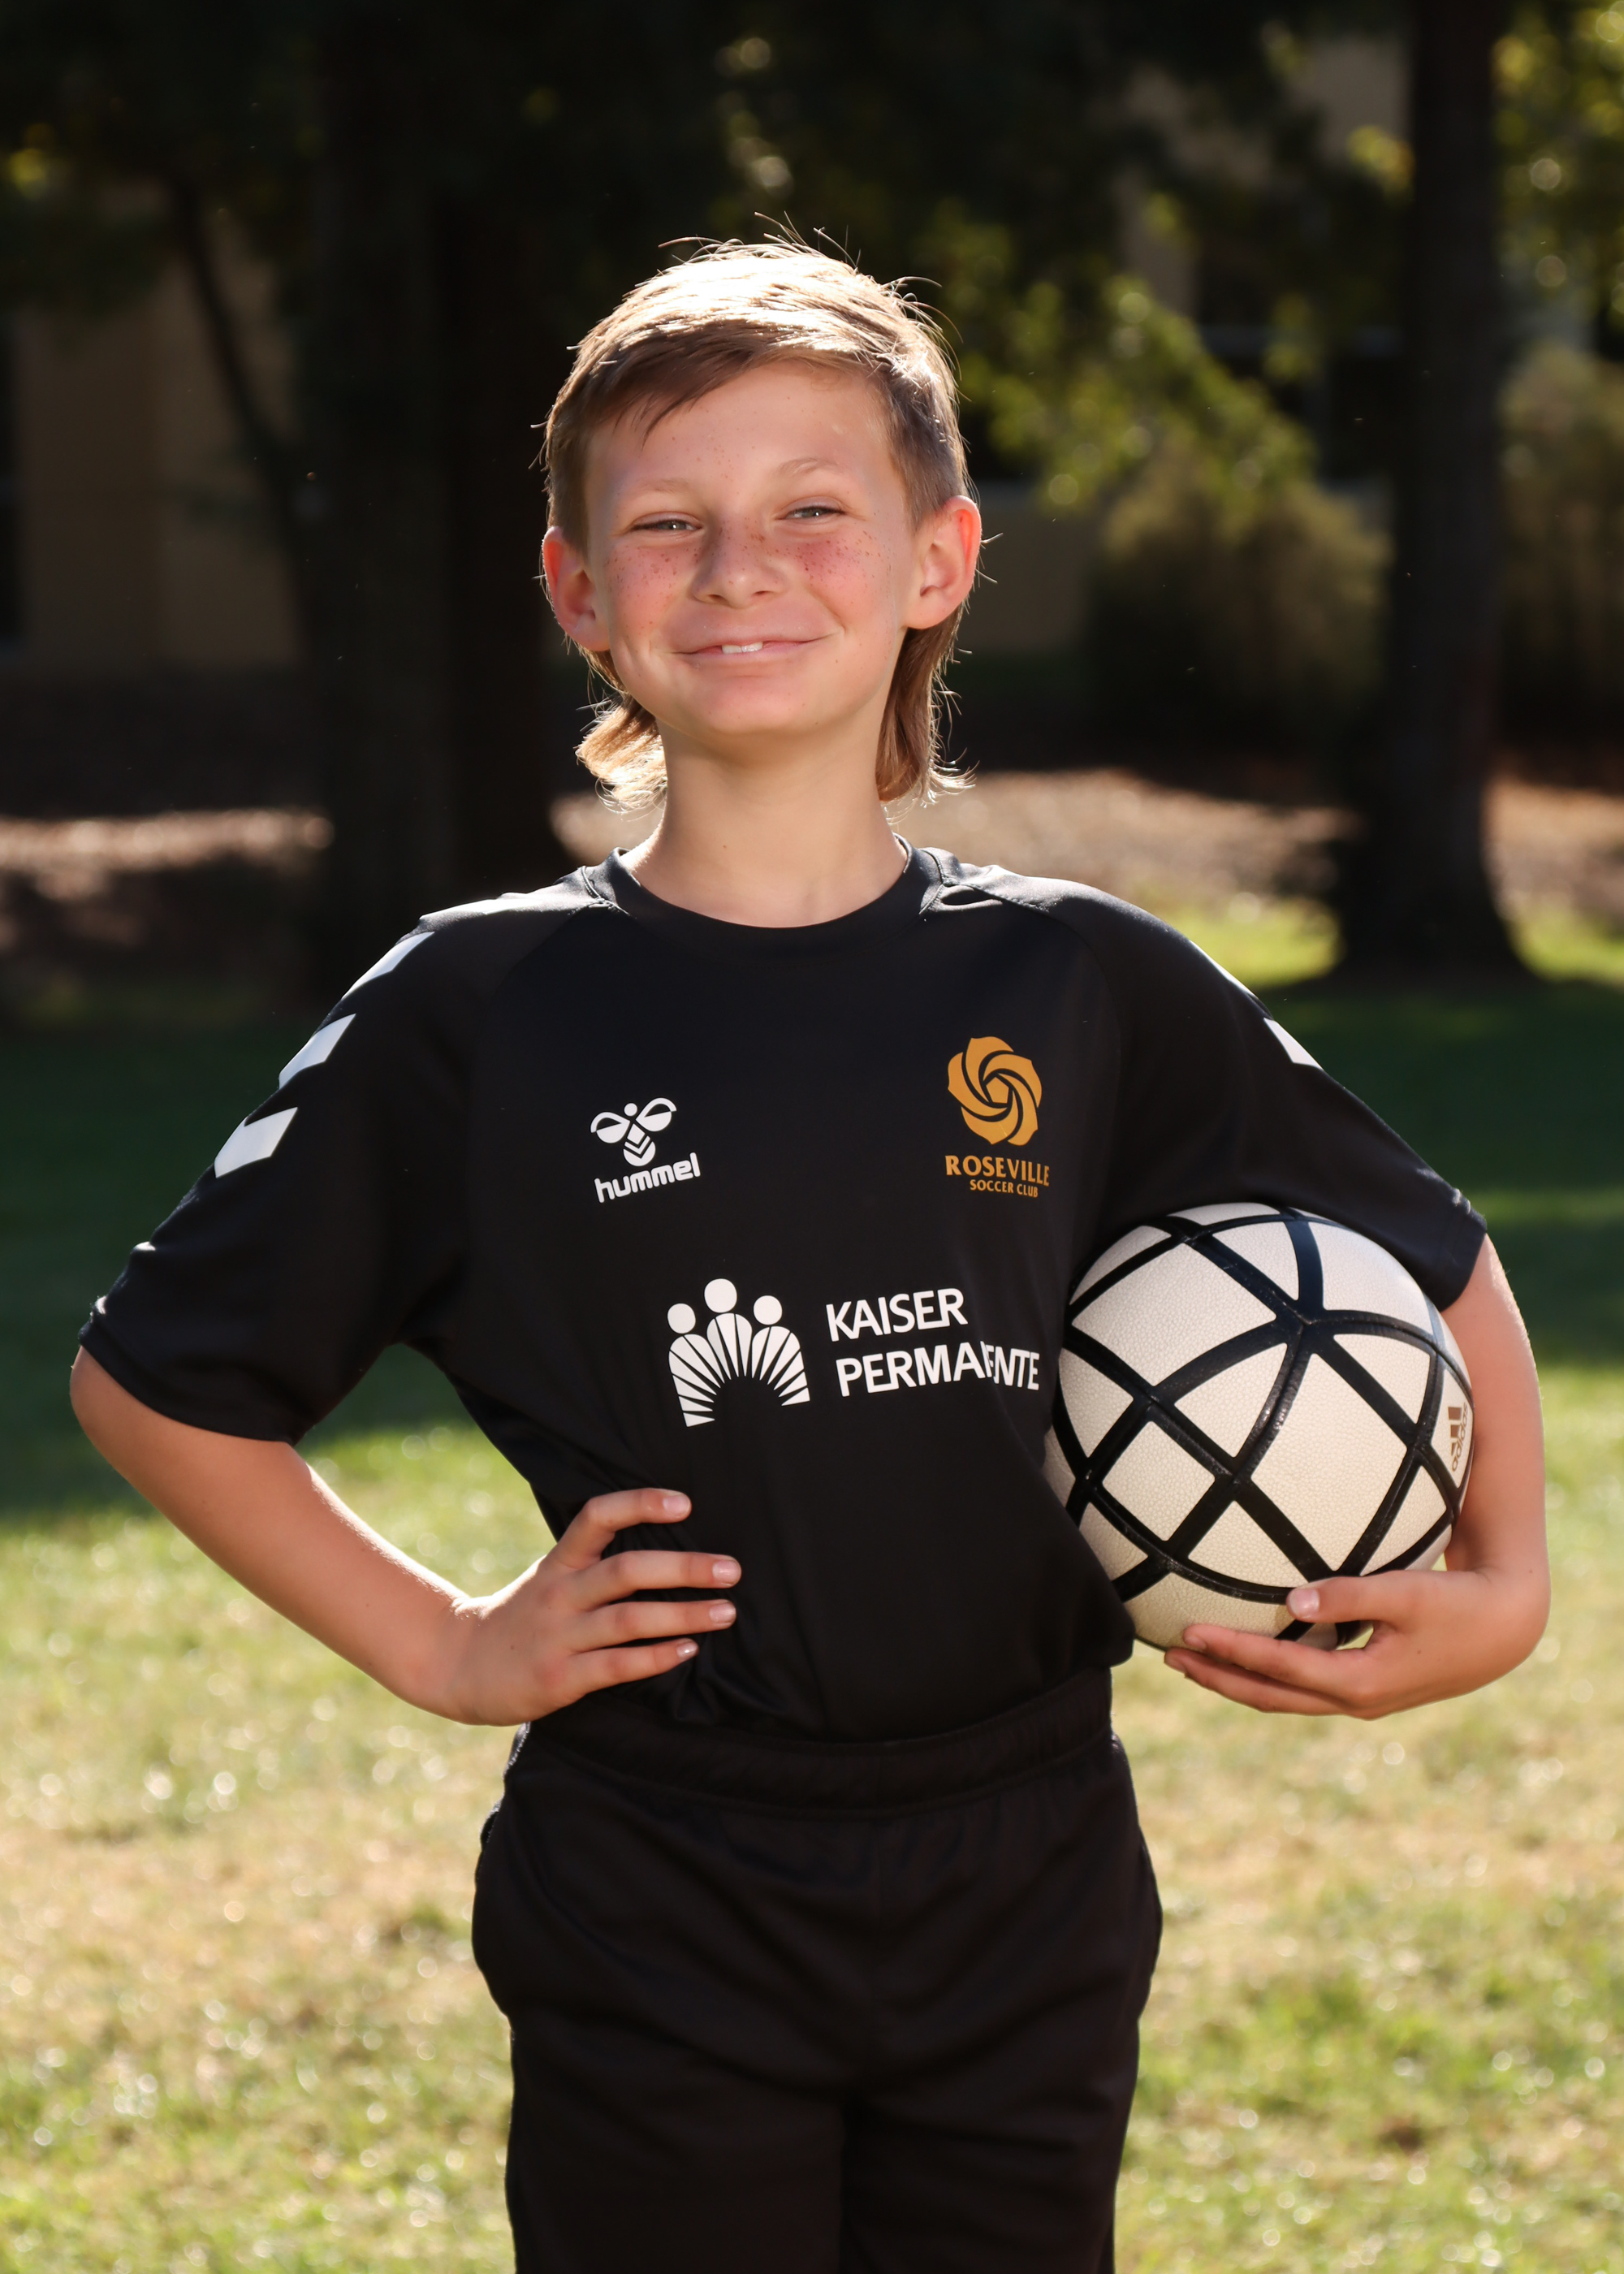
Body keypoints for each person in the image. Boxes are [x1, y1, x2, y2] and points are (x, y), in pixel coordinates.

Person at [71, 241, 1548, 2274]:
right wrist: (445, 1643)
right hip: (661, 1866)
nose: (738, 569)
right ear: (578, 592)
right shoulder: (477, 1011)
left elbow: (1430, 1249)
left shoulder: (1084, 980)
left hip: (1028, 1856)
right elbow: (157, 1381)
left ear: (940, 558)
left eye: (810, 511)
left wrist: (1505, 1577)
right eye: (666, 524)